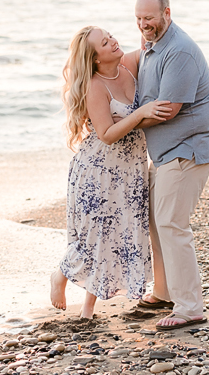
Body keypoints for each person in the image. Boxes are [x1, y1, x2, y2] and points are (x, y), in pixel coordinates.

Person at [49, 26, 172, 319]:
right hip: (99, 172)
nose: (114, 41)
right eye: (105, 42)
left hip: (130, 171)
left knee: (113, 237)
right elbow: (105, 133)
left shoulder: (127, 66)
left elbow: (151, 46)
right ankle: (60, 275)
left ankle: (89, 308)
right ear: (94, 58)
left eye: (111, 36)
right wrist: (140, 114)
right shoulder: (95, 85)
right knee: (95, 236)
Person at [132, 0, 209, 330]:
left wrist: (124, 123)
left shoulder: (179, 51)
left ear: (167, 13)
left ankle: (189, 307)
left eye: (150, 18)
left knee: (171, 223)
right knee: (157, 221)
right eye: (139, 19)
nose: (144, 25)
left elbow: (167, 112)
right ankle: (165, 291)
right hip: (167, 153)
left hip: (187, 149)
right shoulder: (154, 46)